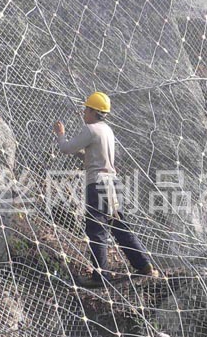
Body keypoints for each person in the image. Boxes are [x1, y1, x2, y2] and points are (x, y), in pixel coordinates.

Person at [54, 91, 158, 287]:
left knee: (96, 230)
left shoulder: (90, 129)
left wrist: (61, 135)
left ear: (93, 111)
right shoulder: (106, 130)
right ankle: (143, 265)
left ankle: (100, 276)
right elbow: (93, 156)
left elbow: (66, 148)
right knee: (119, 226)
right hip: (112, 183)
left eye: (86, 109)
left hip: (97, 185)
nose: (84, 112)